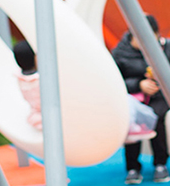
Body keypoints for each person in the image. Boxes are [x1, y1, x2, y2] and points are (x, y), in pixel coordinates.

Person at [13, 40, 157, 141]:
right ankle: (129, 127)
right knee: (121, 102)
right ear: (35, 58)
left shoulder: (22, 79)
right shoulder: (43, 80)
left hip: (38, 117)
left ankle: (130, 127)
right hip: (60, 117)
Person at [112, 14, 170, 185]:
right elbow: (114, 81)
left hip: (160, 96)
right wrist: (139, 84)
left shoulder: (167, 47)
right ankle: (133, 167)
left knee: (157, 117)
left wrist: (163, 77)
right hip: (134, 98)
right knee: (133, 121)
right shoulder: (120, 52)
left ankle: (160, 164)